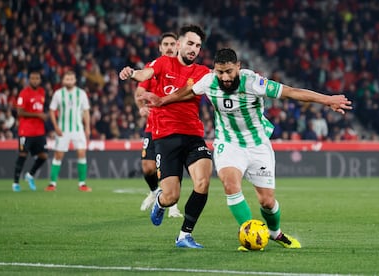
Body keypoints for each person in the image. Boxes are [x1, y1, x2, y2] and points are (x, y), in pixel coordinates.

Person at [139, 48, 353, 250]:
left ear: (238, 67)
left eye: (229, 71)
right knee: (230, 185)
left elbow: (290, 92)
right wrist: (162, 100)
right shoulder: (209, 81)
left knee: (267, 202)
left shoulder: (253, 82)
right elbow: (186, 91)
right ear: (215, 70)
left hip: (258, 145)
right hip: (228, 143)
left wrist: (327, 100)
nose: (224, 77)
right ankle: (249, 232)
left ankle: (275, 233)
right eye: (220, 72)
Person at [119, 25, 212, 248]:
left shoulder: (203, 72)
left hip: (193, 135)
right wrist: (132, 73)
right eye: (190, 43)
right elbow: (145, 74)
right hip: (166, 136)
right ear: (179, 44)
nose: (194, 49)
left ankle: (184, 236)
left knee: (203, 182)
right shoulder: (163, 63)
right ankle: (160, 203)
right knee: (172, 196)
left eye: (198, 46)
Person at [135, 32, 182, 218]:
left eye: (172, 44)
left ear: (178, 46)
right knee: (148, 167)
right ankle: (156, 193)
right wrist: (140, 107)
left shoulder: (183, 67)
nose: (169, 47)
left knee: (173, 166)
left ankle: (173, 206)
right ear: (160, 48)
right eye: (166, 44)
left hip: (176, 125)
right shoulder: (152, 67)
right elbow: (139, 90)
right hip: (153, 124)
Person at [45, 70, 91, 192]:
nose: (69, 81)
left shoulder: (81, 94)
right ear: (63, 80)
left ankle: (82, 184)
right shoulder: (58, 94)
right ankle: (52, 183)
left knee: (81, 153)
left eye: (71, 79)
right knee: (58, 155)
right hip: (62, 129)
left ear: (75, 80)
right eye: (67, 79)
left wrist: (87, 127)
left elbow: (86, 111)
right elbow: (51, 110)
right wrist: (55, 127)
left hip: (78, 129)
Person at [12, 70, 48, 192]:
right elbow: (20, 112)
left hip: (39, 132)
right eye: (32, 78)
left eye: (37, 78)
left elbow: (43, 108)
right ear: (29, 80)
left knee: (44, 156)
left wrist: (44, 115)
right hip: (25, 131)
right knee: (23, 155)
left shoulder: (42, 92)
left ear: (40, 80)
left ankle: (30, 176)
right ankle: (16, 183)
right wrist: (38, 115)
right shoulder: (24, 93)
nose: (35, 80)